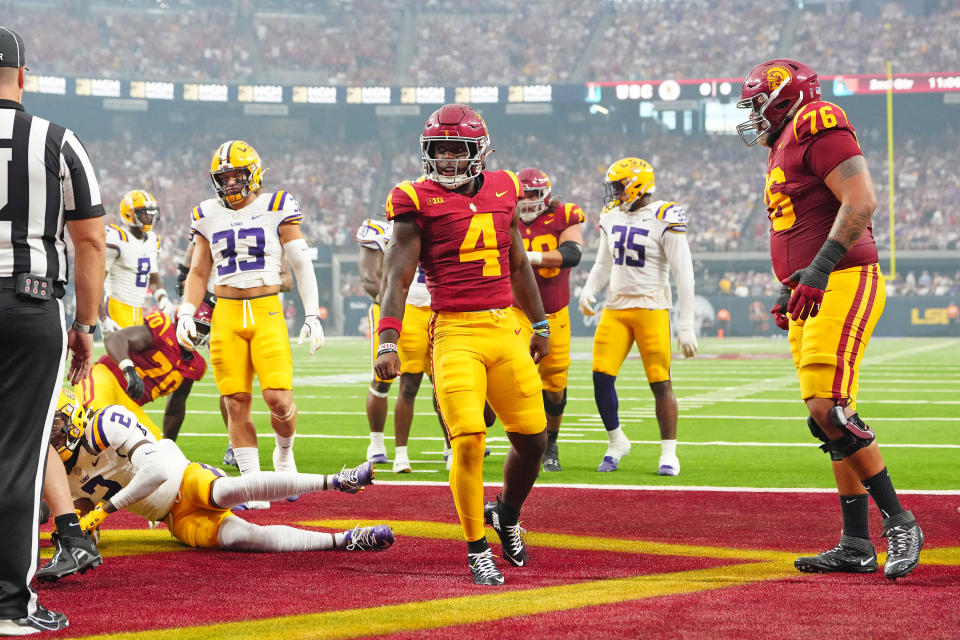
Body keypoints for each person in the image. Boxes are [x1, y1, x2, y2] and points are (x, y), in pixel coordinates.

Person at [737, 58, 923, 579]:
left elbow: (861, 200)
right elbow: (803, 222)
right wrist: (788, 283)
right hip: (813, 286)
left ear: (784, 97)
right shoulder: (784, 141)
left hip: (843, 278)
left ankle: (901, 522)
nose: (753, 114)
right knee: (828, 418)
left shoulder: (818, 121)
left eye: (758, 103)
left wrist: (817, 270)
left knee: (830, 410)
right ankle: (855, 543)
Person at [375, 104, 548, 586]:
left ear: (480, 151)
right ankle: (476, 549)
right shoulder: (413, 199)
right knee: (468, 440)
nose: (448, 159)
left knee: (533, 440)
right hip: (453, 330)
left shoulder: (505, 187)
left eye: (458, 149)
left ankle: (507, 512)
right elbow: (397, 274)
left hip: (504, 327)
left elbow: (517, 264)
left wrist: (541, 324)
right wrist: (388, 337)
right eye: (440, 150)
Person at [0, 26, 106, 635]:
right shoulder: (57, 141)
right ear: (22, 76)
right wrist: (86, 325)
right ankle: (10, 604)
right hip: (26, 304)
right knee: (18, 457)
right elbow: (89, 238)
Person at [50, 390, 394, 554]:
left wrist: (104, 510)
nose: (55, 435)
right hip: (173, 518)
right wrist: (82, 533)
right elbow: (80, 515)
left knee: (227, 492)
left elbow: (154, 471)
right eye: (49, 431)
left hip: (180, 477)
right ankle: (347, 540)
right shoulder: (57, 471)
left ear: (74, 415)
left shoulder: (106, 423)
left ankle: (338, 480)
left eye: (58, 425)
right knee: (242, 538)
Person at [177, 140, 325, 510]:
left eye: (236, 174)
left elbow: (301, 263)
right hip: (226, 312)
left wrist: (311, 312)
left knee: (278, 397)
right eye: (223, 177)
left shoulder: (276, 206)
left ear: (253, 173)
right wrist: (185, 310)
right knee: (235, 400)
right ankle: (252, 483)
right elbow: (198, 270)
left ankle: (284, 452)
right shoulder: (207, 213)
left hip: (266, 310)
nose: (229, 183)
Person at [578, 157, 697, 475]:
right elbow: (603, 263)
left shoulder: (664, 215)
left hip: (651, 308)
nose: (614, 192)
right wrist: (589, 289)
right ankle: (616, 441)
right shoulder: (611, 214)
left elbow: (683, 274)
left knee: (660, 382)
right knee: (601, 378)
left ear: (636, 185)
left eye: (618, 186)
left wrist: (685, 325)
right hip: (615, 309)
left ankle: (669, 453)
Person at [514, 167, 585, 472]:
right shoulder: (506, 217)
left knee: (554, 386)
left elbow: (572, 253)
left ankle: (551, 443)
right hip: (516, 312)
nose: (527, 201)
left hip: (554, 313)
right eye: (523, 194)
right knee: (512, 373)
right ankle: (523, 441)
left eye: (533, 194)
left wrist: (532, 257)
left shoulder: (564, 215)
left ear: (545, 194)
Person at [77, 303, 212, 441]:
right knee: (98, 413)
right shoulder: (163, 329)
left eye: (204, 329)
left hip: (130, 403)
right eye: (196, 326)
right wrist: (128, 369)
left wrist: (168, 445)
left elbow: (175, 409)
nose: (198, 334)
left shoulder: (195, 366)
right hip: (107, 377)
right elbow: (115, 338)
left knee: (152, 445)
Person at [99, 189, 173, 335]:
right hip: (116, 306)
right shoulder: (117, 238)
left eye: (151, 213)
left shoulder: (152, 240)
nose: (149, 217)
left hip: (138, 309)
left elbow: (153, 279)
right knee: (123, 356)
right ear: (129, 214)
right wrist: (102, 317)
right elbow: (97, 283)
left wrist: (163, 298)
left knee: (140, 357)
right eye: (143, 213)